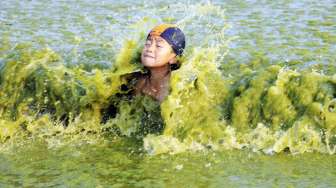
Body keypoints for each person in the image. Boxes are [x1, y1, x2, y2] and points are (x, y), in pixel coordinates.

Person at [135, 24, 186, 102]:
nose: (150, 49)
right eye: (147, 44)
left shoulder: (175, 89)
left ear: (173, 58)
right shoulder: (138, 81)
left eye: (158, 46)